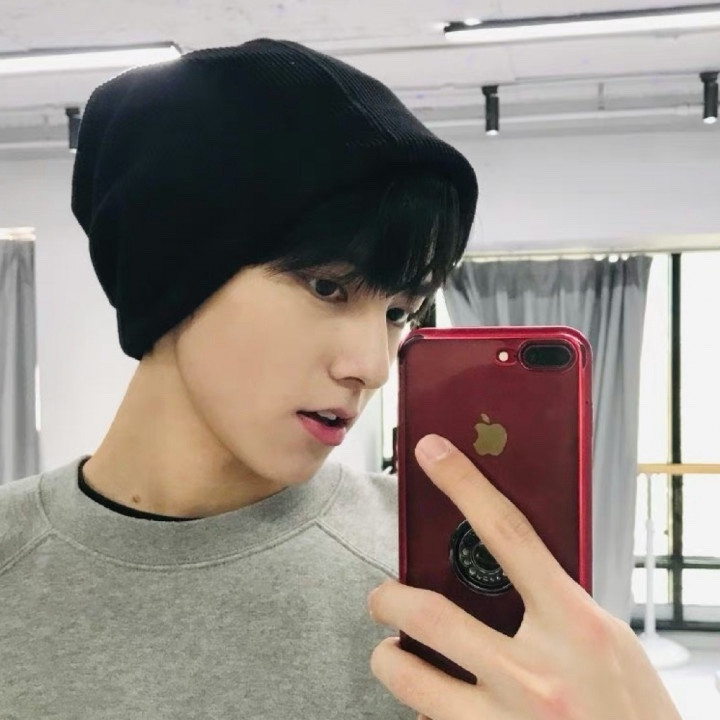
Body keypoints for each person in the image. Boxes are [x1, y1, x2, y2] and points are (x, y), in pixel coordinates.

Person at [0, 38, 680, 720]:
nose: (374, 367)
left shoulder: (441, 572)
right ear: (169, 273)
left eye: (398, 312)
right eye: (327, 287)